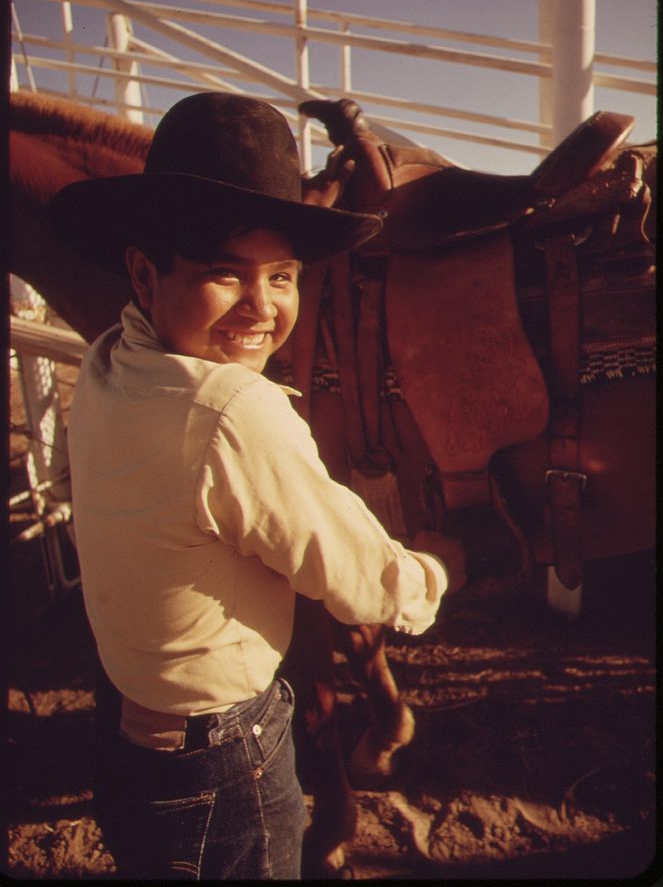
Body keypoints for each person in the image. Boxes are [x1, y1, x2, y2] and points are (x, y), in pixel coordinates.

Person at [49, 92, 454, 880]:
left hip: (129, 728)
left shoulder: (107, 363)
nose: (261, 308)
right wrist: (431, 574)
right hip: (219, 754)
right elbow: (361, 583)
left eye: (282, 277)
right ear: (143, 271)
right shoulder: (234, 408)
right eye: (223, 276)